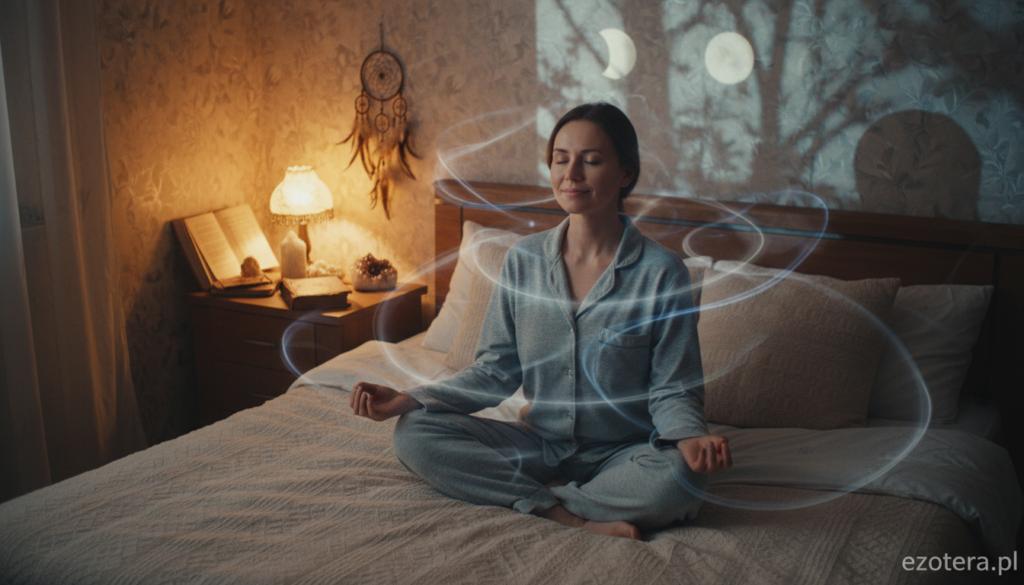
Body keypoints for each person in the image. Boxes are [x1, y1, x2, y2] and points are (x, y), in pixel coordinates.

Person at [349, 103, 731, 540]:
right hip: (538, 445)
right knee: (414, 433)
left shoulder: (661, 273)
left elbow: (673, 387)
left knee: (683, 477)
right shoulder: (523, 261)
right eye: (560, 159)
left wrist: (689, 438)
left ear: (626, 173)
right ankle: (565, 513)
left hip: (625, 453)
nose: (572, 174)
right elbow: (494, 372)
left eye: (591, 160)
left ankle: (545, 498)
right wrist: (411, 399)